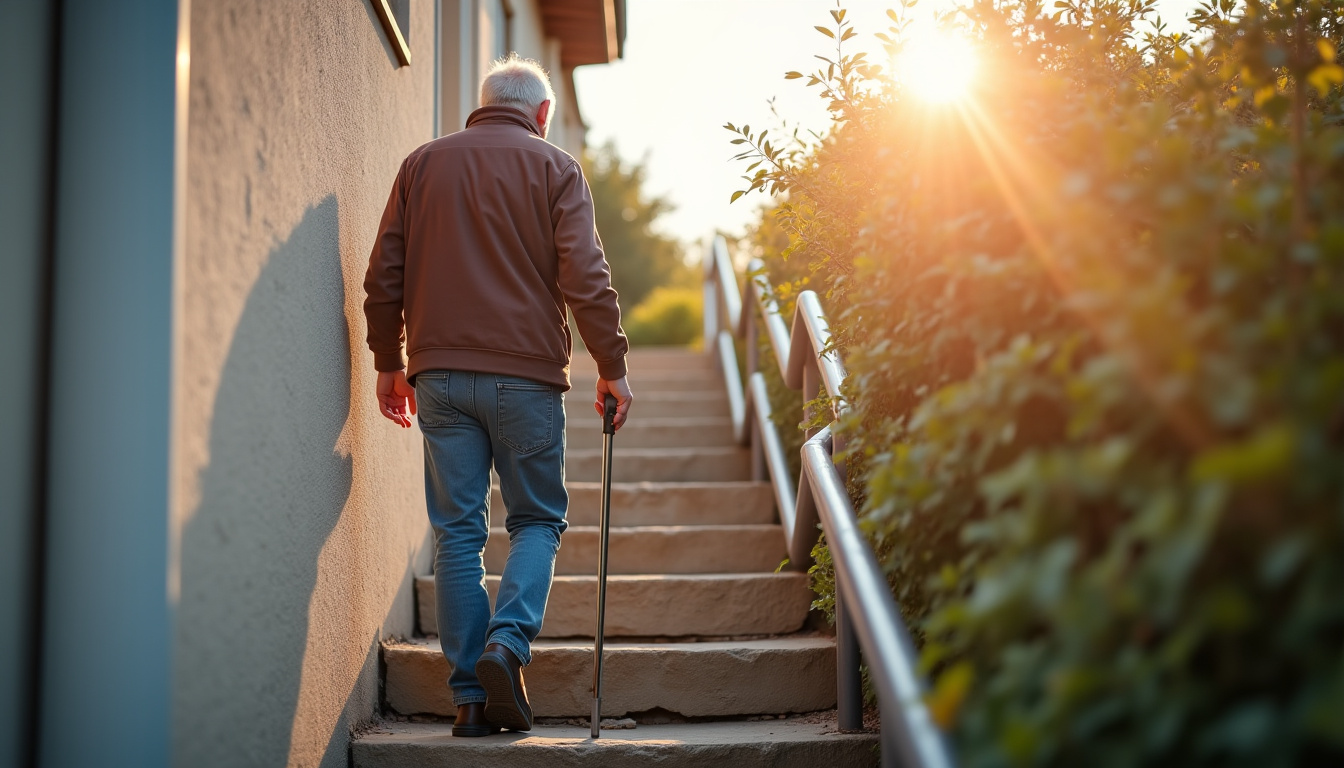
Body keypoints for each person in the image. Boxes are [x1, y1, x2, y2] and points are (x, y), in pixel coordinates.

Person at [362, 54, 633, 738]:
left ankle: (468, 701)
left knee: (457, 533)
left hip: (441, 378)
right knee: (536, 522)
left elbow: (383, 271)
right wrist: (612, 363)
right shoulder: (556, 168)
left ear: (481, 103)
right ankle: (506, 647)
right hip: (528, 378)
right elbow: (586, 274)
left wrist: (389, 363)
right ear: (542, 114)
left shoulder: (422, 164)